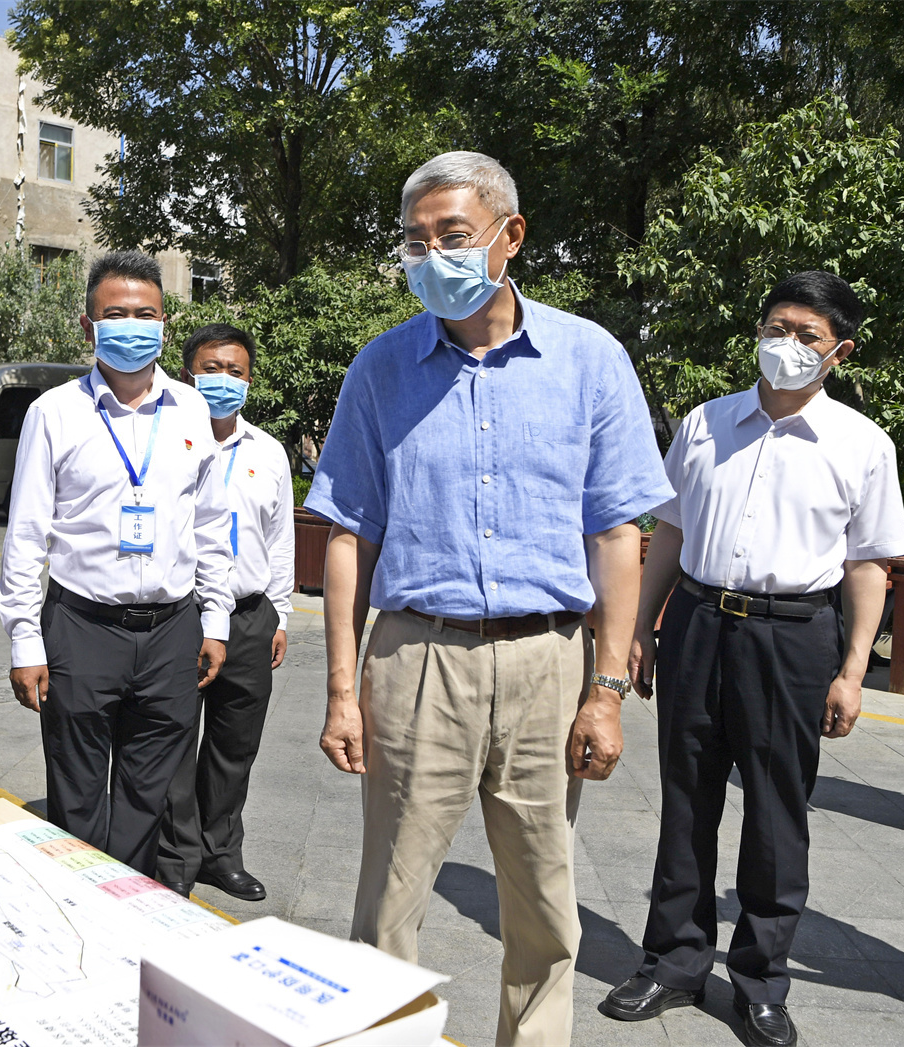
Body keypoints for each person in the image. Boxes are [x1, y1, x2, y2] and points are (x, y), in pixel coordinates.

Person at [305, 151, 673, 1046]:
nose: (433, 256)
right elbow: (349, 536)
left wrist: (607, 689)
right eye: (415, 241)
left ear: (511, 236)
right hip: (416, 659)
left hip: (550, 661)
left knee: (545, 903)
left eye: (454, 235)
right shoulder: (381, 368)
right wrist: (343, 690)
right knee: (388, 899)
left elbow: (616, 535)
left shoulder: (589, 359)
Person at [599, 272, 904, 1047]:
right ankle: (673, 961)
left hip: (794, 636)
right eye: (777, 326)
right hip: (698, 621)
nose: (787, 344)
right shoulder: (705, 424)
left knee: (777, 813)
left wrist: (852, 670)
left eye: (807, 335)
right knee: (687, 797)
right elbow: (669, 531)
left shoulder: (862, 445)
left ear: (839, 352)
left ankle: (761, 982)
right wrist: (641, 627)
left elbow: (868, 564)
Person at [0, 250, 235, 875]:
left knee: (146, 793)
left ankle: (122, 903)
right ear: (88, 326)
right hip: (82, 628)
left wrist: (215, 621)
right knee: (76, 792)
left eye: (146, 314)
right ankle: (73, 902)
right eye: (116, 314)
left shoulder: (192, 410)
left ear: (165, 324)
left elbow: (211, 525)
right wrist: (24, 639)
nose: (133, 326)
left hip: (171, 630)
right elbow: (26, 534)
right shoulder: (54, 412)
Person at [156, 324, 293, 901]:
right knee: (174, 741)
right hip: (183, 615)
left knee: (235, 745)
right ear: (187, 374)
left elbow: (279, 539)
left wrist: (280, 614)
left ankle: (221, 853)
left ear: (250, 381)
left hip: (251, 616)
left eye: (235, 371)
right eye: (211, 369)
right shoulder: (166, 442)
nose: (223, 380)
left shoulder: (268, 452)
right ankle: (176, 855)